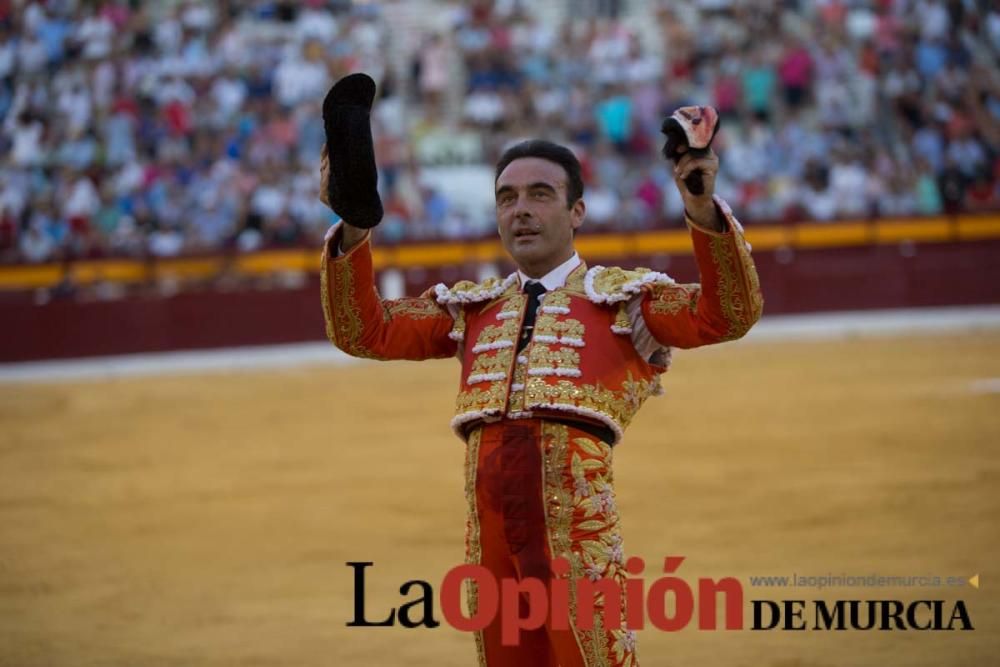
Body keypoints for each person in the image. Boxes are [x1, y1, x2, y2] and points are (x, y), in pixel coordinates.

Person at [319, 74, 762, 667]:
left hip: (577, 529)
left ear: (577, 211)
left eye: (540, 194)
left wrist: (701, 207)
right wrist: (354, 226)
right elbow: (362, 330)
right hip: (491, 531)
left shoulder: (625, 300)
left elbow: (727, 313)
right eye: (507, 198)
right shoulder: (472, 310)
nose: (520, 210)